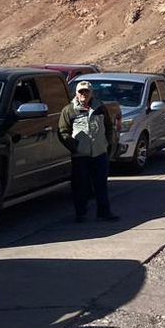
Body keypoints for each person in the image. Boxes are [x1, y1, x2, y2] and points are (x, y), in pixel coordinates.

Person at [58, 81, 120, 223]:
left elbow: (108, 127)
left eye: (86, 92)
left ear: (91, 93)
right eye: (81, 92)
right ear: (76, 93)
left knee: (101, 185)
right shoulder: (69, 110)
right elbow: (63, 132)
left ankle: (104, 212)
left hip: (99, 153)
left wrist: (107, 143)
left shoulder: (100, 107)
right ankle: (81, 214)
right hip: (81, 156)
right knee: (80, 186)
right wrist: (75, 146)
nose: (83, 94)